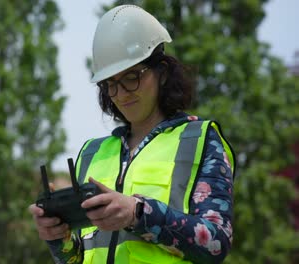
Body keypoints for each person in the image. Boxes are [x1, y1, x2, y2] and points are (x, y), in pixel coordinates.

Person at [29, 4, 235, 264]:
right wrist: (59, 239)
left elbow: (216, 243)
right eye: (110, 84)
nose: (121, 93)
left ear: (161, 72)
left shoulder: (200, 141)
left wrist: (138, 214)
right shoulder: (92, 152)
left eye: (131, 77)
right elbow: (78, 258)